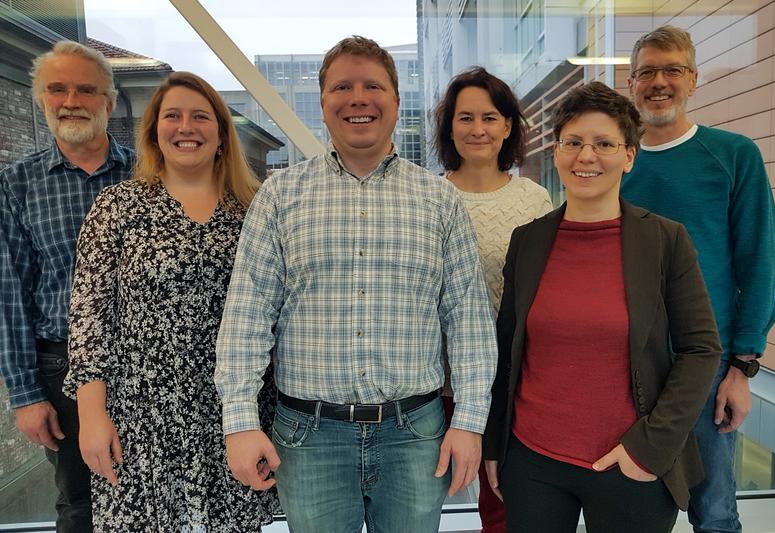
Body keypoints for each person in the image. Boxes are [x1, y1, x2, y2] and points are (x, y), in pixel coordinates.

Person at [215, 36, 497, 533]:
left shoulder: (439, 200)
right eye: (342, 86)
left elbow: (469, 320)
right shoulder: (280, 195)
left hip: (415, 434)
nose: (358, 98)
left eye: (373, 86)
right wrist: (239, 421)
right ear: (322, 103)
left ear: (396, 100)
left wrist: (470, 421)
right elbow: (247, 316)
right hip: (309, 435)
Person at [483, 81, 723, 533]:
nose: (586, 156)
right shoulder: (528, 242)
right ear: (556, 152)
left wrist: (649, 448)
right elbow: (507, 351)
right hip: (532, 462)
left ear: (630, 155)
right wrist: (496, 444)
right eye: (573, 142)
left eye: (604, 144)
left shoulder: (664, 241)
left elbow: (701, 350)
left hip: (628, 463)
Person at [62, 72, 279, 532]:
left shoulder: (255, 210)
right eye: (173, 116)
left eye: (200, 117)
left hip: (232, 412)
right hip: (140, 416)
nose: (186, 127)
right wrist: (91, 414)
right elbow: (88, 318)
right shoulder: (117, 207)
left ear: (221, 135)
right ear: (155, 132)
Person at [621, 25, 775, 533]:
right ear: (632, 83)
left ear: (693, 80)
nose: (659, 82)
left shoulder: (734, 156)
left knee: (713, 510)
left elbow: (759, 265)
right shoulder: (612, 162)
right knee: (634, 508)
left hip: (707, 364)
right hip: (628, 363)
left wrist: (743, 367)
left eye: (673, 70)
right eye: (647, 71)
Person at [0, 40, 134, 532]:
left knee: (155, 493)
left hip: (145, 361)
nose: (72, 100)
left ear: (109, 102)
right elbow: (9, 294)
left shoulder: (148, 175)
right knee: (80, 504)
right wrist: (25, 395)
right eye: (58, 89)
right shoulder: (17, 185)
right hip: (62, 369)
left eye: (86, 89)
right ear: (41, 100)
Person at [433, 66, 552, 533]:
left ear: (508, 126)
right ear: (450, 127)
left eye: (489, 117)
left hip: (511, 378)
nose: (477, 129)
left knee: (503, 501)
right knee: (421, 498)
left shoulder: (536, 200)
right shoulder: (429, 196)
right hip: (438, 381)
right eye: (465, 118)